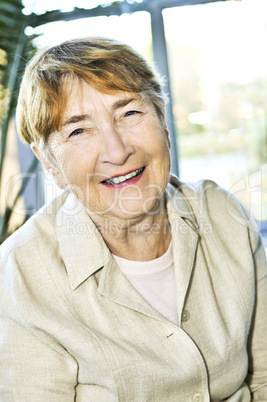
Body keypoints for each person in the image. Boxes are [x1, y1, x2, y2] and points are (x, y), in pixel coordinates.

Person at [0, 37, 266, 401]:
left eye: (129, 113)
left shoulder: (223, 214)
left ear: (163, 120)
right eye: (78, 130)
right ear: (48, 162)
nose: (117, 150)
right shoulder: (21, 272)